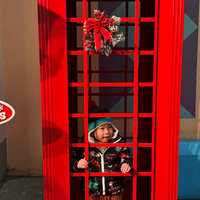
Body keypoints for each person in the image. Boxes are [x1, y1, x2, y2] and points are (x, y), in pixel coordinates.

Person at [71, 104, 133, 200]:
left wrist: (126, 163)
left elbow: (126, 155)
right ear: (92, 130)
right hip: (91, 190)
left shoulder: (119, 144)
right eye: (102, 128)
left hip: (115, 190)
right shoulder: (84, 147)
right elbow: (72, 162)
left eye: (110, 127)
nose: (107, 132)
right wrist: (78, 164)